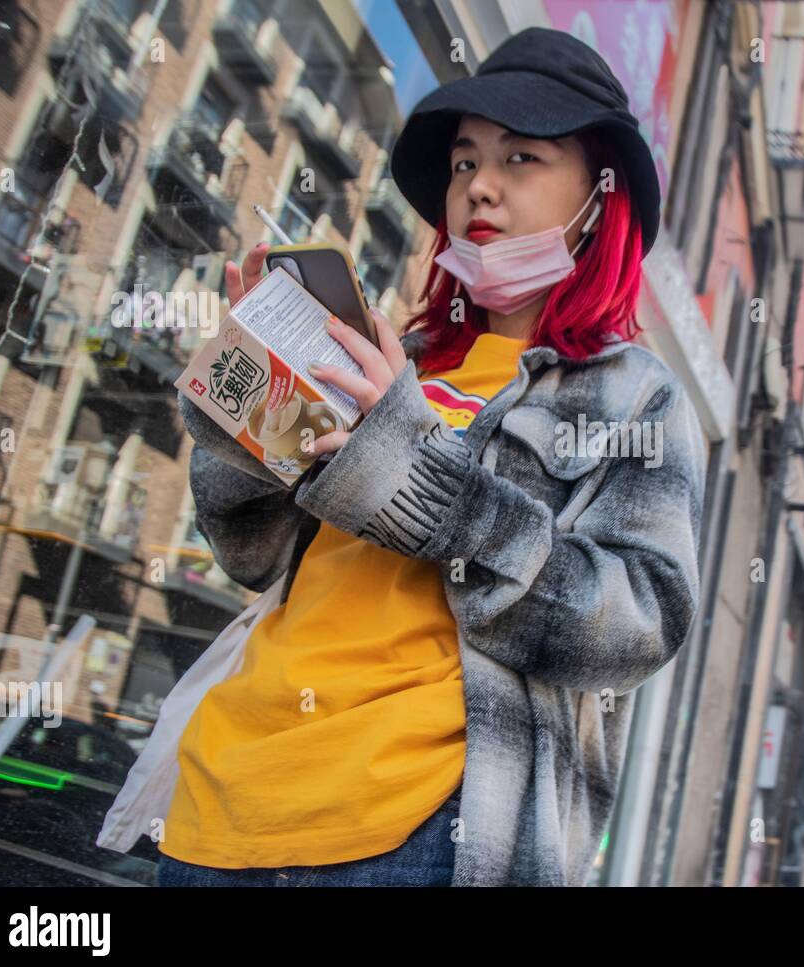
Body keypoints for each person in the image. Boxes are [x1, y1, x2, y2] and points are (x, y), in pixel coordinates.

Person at [152, 27, 706, 887]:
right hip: (221, 805)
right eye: (464, 162)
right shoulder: (397, 356)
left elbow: (638, 626)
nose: (480, 185)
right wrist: (252, 403)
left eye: (523, 158)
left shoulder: (635, 397)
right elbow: (251, 554)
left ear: (602, 196)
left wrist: (434, 492)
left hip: (417, 833)